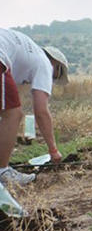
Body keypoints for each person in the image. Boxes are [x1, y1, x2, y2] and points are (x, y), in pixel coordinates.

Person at [0, 28, 69, 187]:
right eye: (56, 76)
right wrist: (53, 150)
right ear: (55, 65)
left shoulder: (27, 55)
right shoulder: (44, 63)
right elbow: (41, 111)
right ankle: (2, 172)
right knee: (14, 115)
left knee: (9, 113)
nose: (52, 79)